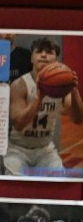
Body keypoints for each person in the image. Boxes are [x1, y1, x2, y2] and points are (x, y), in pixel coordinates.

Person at [5, 37, 83, 175]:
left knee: (58, 183)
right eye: (39, 51)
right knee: (15, 187)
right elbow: (19, 124)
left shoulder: (61, 87)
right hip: (18, 149)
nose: (43, 55)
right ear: (31, 59)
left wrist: (74, 91)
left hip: (44, 150)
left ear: (56, 60)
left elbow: (78, 119)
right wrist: (39, 98)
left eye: (49, 52)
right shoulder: (20, 85)